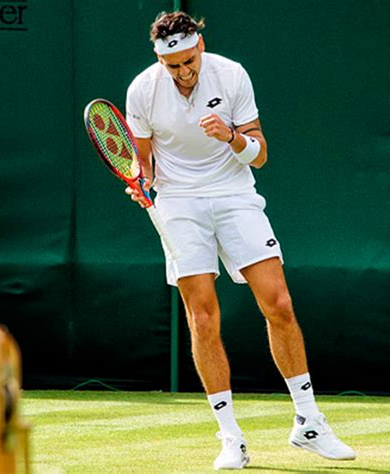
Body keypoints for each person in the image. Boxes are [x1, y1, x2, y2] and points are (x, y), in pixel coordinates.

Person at [125, 11, 356, 470]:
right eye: (173, 65)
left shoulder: (231, 76)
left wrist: (230, 136)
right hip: (179, 205)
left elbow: (261, 154)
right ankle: (231, 437)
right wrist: (140, 181)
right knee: (203, 318)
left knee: (280, 305)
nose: (183, 71)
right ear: (159, 59)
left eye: (189, 61)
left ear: (200, 46)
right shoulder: (141, 90)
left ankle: (309, 423)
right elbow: (144, 162)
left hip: (235, 195)